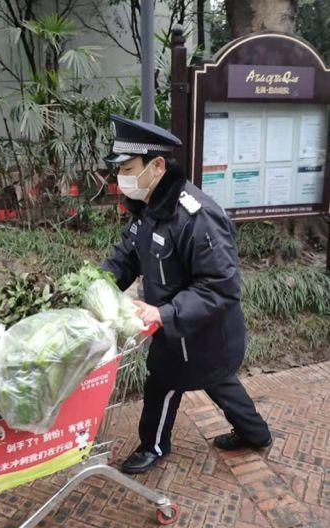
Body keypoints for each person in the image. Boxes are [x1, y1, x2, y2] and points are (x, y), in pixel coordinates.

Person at [101, 114, 272, 475]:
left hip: (206, 334)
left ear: (157, 165)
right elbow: (126, 256)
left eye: (129, 168)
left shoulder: (196, 216)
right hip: (169, 334)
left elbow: (220, 286)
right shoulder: (147, 209)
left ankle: (255, 435)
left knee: (220, 384)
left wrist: (163, 314)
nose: (122, 179)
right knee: (161, 386)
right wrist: (96, 287)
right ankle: (154, 446)